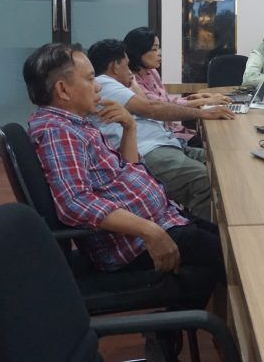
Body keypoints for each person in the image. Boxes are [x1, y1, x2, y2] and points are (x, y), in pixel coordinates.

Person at [23, 43, 224, 311]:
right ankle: (176, 324)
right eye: (90, 79)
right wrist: (149, 230)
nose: (98, 86)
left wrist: (129, 127)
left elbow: (126, 170)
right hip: (132, 243)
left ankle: (174, 322)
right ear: (62, 90)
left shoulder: (74, 124)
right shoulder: (58, 132)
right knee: (231, 257)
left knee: (227, 241)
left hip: (159, 221)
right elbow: (74, 201)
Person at [88, 39, 234, 221]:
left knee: (227, 162)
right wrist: (203, 113)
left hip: (168, 144)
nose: (130, 70)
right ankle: (207, 233)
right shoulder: (105, 83)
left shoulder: (124, 84)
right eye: (126, 64)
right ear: (115, 66)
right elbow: (151, 108)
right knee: (205, 180)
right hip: (150, 151)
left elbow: (154, 103)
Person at [124, 27, 231, 145]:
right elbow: (161, 107)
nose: (159, 53)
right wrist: (203, 102)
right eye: (154, 49)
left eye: (159, 48)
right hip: (161, 137)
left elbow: (166, 101)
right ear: (138, 52)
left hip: (173, 130)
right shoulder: (131, 81)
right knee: (216, 143)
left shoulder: (152, 72)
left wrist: (192, 99)